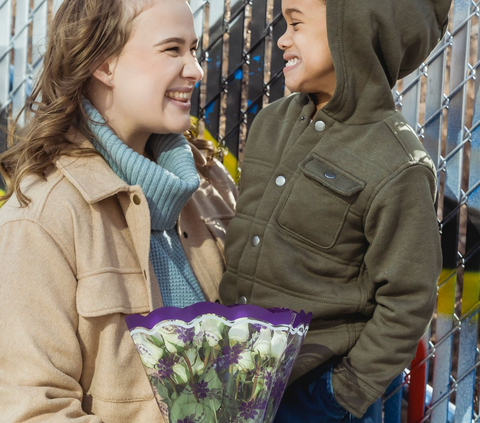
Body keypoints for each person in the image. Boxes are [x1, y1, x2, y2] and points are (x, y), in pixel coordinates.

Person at [0, 0, 236, 421]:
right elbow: (34, 410)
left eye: (194, 49)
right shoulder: (43, 216)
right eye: (172, 49)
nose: (196, 70)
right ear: (104, 65)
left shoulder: (210, 187)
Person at [219, 0, 451, 421]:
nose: (282, 40)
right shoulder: (269, 124)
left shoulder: (399, 164)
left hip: (316, 393)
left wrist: (343, 392)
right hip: (240, 376)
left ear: (353, 32)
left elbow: (408, 298)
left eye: (295, 24)